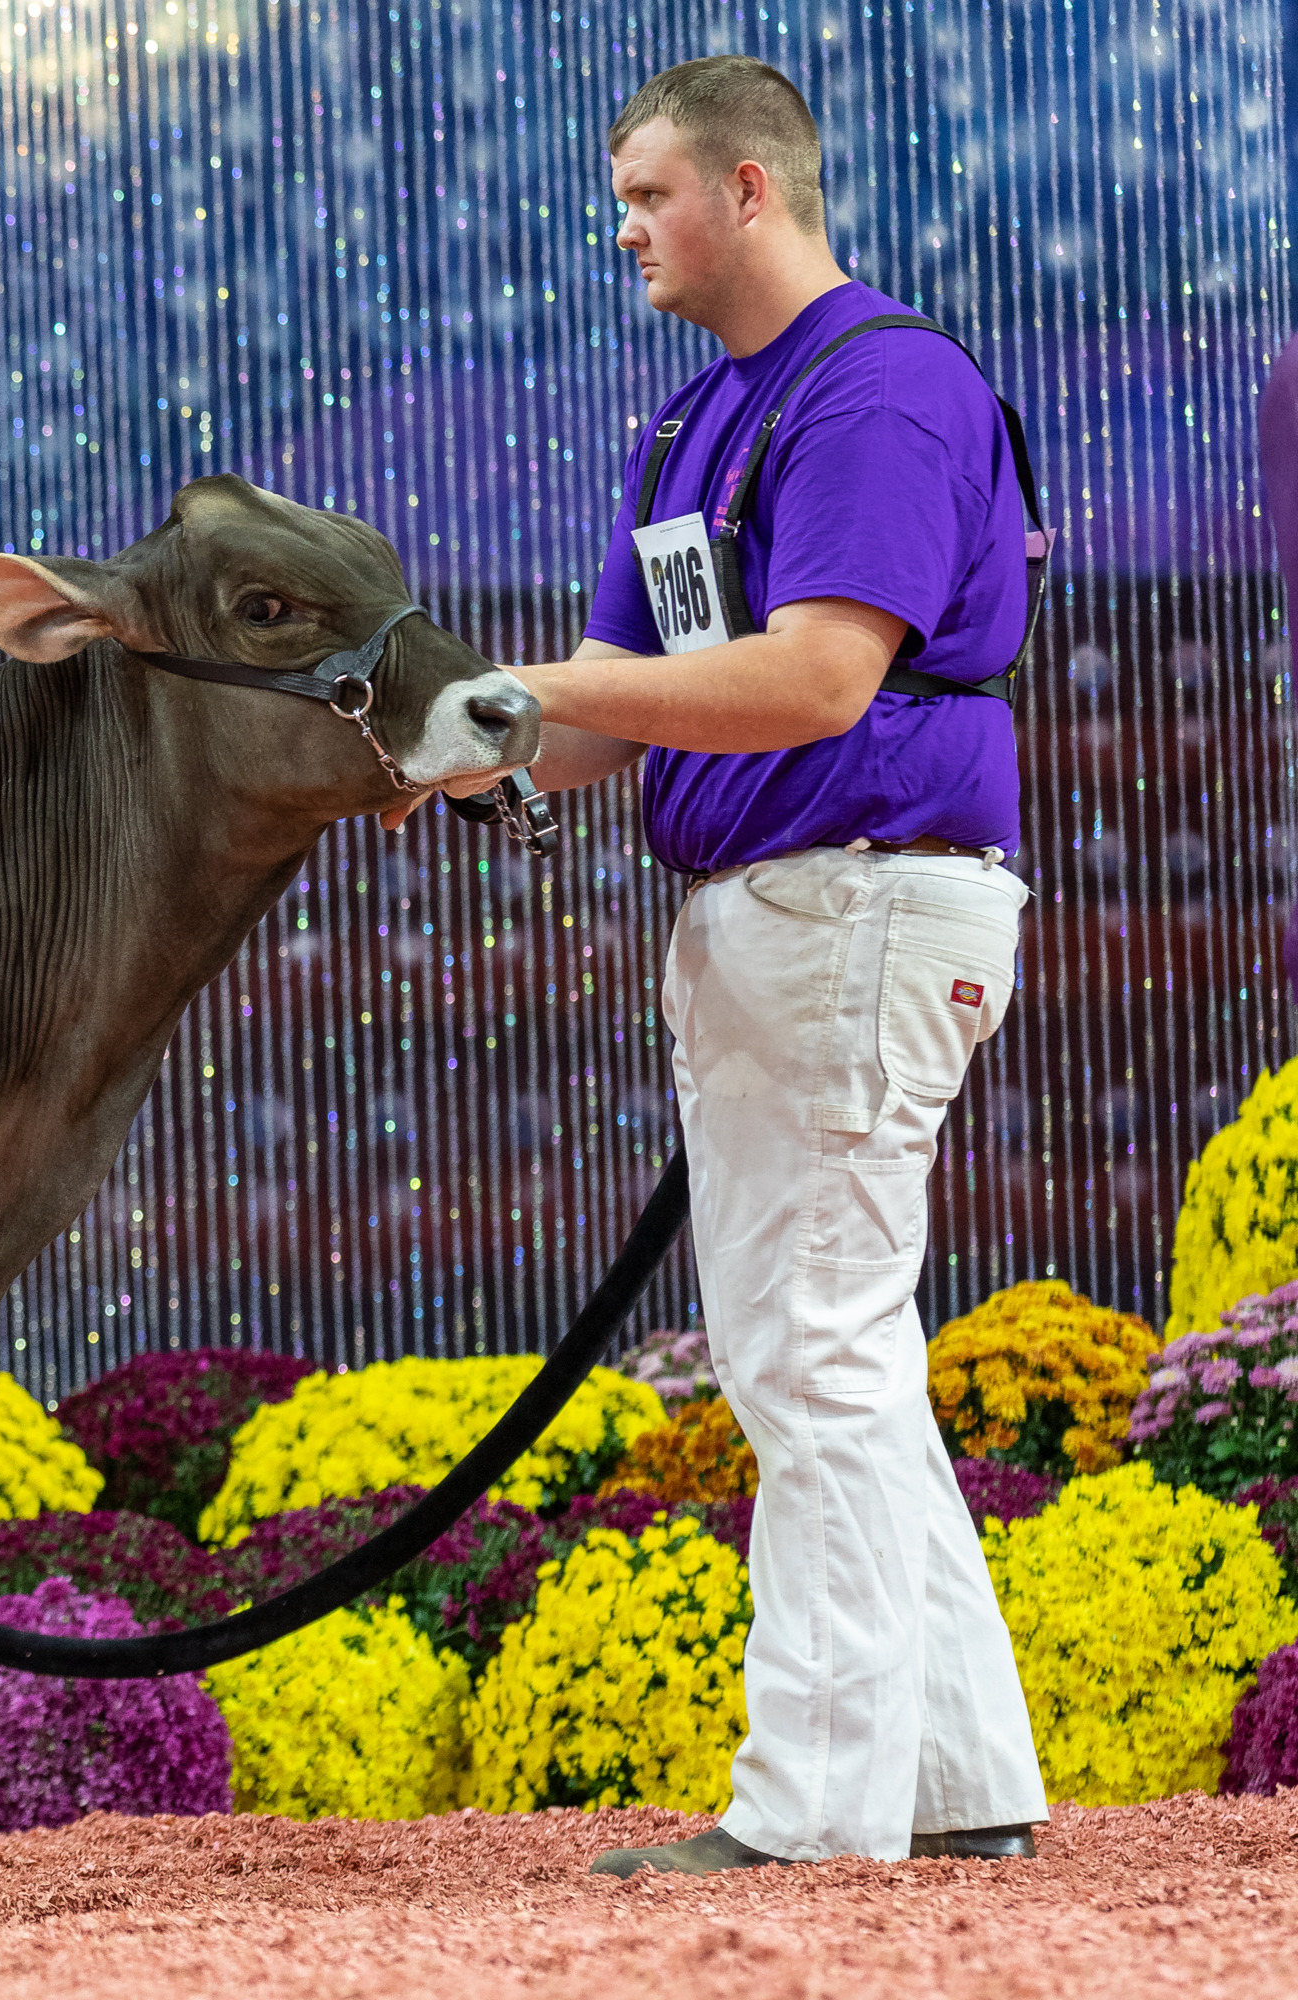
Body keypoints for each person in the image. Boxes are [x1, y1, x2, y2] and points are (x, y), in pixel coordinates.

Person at [506, 56, 1053, 1873]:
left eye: (649, 194)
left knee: (812, 1348)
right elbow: (604, 717)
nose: (625, 229)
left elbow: (819, 677)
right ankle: (963, 1783)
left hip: (860, 894)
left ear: (751, 188)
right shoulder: (693, 422)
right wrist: (447, 744)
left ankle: (814, 1822)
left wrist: (527, 693)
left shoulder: (876, 387)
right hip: (786, 912)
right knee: (836, 1349)